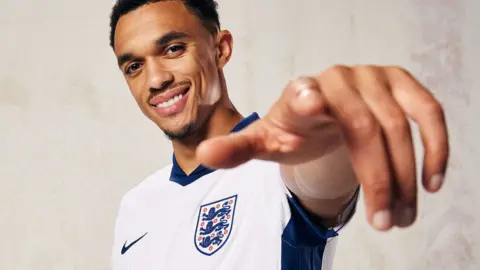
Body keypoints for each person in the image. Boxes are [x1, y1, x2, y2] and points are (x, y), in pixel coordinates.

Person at [108, 0, 449, 269]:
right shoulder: (135, 206)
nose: (155, 80)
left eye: (173, 49)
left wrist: (337, 128)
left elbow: (317, 177)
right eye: (134, 66)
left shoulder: (280, 166)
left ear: (221, 48)